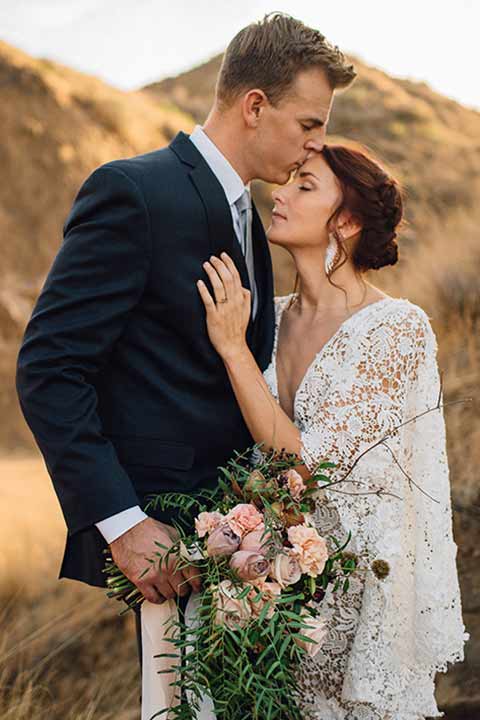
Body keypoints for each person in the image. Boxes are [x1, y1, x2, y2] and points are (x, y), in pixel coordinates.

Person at [14, 11, 356, 717]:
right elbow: (50, 367)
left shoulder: (252, 225)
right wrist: (121, 523)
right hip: (165, 552)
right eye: (308, 123)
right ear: (254, 106)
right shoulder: (136, 192)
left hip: (241, 559)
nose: (316, 144)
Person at [197, 144, 468, 719]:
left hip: (357, 601)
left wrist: (230, 348)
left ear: (346, 222)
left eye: (305, 186)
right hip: (271, 597)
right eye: (288, 181)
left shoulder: (395, 329)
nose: (281, 193)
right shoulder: (266, 319)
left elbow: (310, 466)